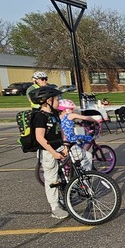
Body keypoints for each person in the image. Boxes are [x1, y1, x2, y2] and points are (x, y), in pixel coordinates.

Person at [30, 85, 70, 219]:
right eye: (57, 99)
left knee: (84, 156)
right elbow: (40, 138)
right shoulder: (40, 117)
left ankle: (71, 189)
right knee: (52, 179)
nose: (59, 102)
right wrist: (53, 153)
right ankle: (55, 208)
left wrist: (66, 145)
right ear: (48, 101)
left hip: (59, 146)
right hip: (47, 151)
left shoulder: (54, 114)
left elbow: (61, 131)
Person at [56, 98, 97, 171]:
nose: (72, 110)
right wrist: (95, 121)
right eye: (71, 109)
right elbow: (85, 118)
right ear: (66, 109)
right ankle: (83, 155)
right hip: (71, 138)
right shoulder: (70, 115)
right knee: (89, 138)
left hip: (63, 139)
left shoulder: (58, 117)